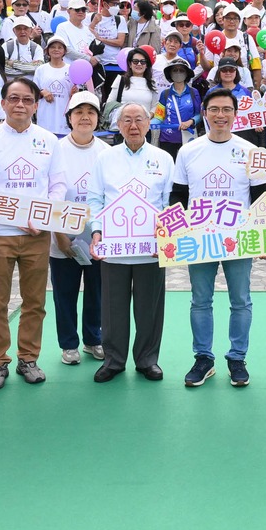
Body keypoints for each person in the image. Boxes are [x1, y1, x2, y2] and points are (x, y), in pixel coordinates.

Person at [0, 75, 57, 389]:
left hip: (37, 235)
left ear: (35, 105)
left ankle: (28, 358)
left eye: (27, 100)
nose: (20, 105)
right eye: (15, 99)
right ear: (3, 103)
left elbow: (58, 185)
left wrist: (45, 218)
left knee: (35, 302)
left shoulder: (48, 139)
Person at [172, 85, 258, 388]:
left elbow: (262, 196)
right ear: (204, 114)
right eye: (214, 110)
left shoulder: (249, 151)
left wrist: (265, 239)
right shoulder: (188, 150)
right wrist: (175, 240)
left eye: (226, 110)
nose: (220, 115)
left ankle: (237, 358)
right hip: (199, 239)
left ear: (235, 115)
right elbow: (178, 198)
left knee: (241, 301)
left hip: (239, 237)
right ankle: (203, 359)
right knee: (200, 300)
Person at [91, 102, 173, 381]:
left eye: (139, 119)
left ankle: (147, 359)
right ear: (119, 125)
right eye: (127, 120)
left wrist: (164, 232)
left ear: (149, 123)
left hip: (150, 247)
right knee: (113, 308)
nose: (133, 125)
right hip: (114, 247)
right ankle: (113, 360)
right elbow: (96, 199)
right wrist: (97, 232)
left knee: (149, 307)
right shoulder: (105, 158)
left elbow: (168, 202)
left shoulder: (163, 158)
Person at [47, 90, 108, 366]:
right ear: (68, 117)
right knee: (65, 293)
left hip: (97, 238)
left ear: (98, 118)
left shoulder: (107, 152)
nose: (85, 117)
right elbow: (49, 197)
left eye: (91, 112)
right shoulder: (54, 150)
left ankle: (93, 339)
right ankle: (68, 343)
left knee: (97, 292)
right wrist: (59, 236)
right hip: (63, 239)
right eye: (79, 112)